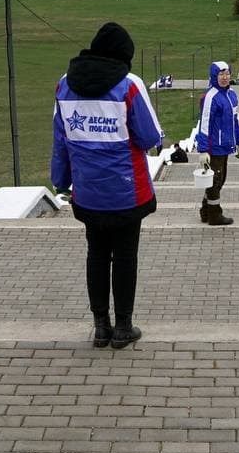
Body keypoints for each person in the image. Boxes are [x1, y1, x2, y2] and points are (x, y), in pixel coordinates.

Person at [52, 22, 164, 349]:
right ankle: (123, 327)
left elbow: (60, 140)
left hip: (87, 192)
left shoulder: (64, 85)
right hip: (126, 192)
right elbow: (148, 136)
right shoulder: (129, 85)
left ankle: (101, 326)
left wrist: (61, 180)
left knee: (97, 254)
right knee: (126, 257)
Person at [195, 60, 239, 226]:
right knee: (216, 181)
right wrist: (203, 150)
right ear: (214, 76)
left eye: (227, 74)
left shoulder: (231, 95)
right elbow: (204, 123)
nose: (224, 77)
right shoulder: (211, 97)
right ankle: (214, 215)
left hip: (225, 146)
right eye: (221, 74)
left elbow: (236, 120)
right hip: (213, 147)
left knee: (219, 180)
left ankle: (205, 211)